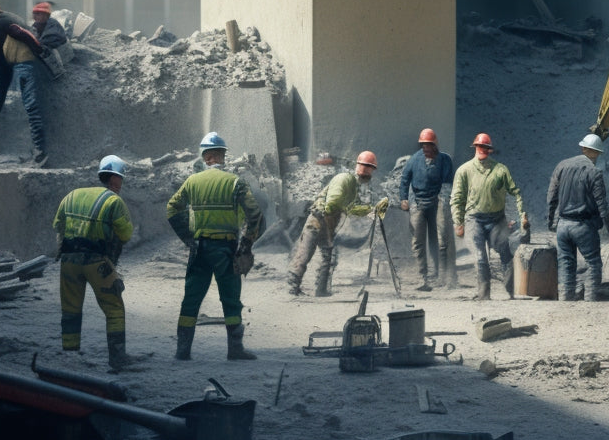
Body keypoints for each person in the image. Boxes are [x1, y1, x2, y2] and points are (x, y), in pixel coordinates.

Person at [167, 131, 265, 361]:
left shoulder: (192, 181)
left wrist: (187, 239)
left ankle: (183, 350)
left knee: (191, 298)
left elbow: (172, 208)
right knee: (230, 299)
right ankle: (235, 349)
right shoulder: (235, 183)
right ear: (219, 156)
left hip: (199, 249)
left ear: (205, 157)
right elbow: (255, 215)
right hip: (226, 249)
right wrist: (246, 245)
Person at [53, 155, 135, 370]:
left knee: (70, 308)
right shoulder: (113, 201)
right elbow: (125, 234)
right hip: (96, 263)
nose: (121, 185)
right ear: (115, 178)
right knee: (114, 307)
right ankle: (117, 359)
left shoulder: (72, 195)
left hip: (68, 261)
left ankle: (69, 355)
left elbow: (58, 226)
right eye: (121, 179)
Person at [287, 151, 388, 297]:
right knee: (309, 252)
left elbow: (351, 207)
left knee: (324, 254)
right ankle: (297, 285)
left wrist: (371, 210)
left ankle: (318, 289)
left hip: (323, 220)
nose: (369, 172)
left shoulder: (352, 185)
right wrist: (338, 217)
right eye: (369, 169)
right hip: (320, 219)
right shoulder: (344, 179)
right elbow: (333, 204)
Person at [451, 133, 529, 300]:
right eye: (480, 147)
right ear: (475, 148)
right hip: (474, 219)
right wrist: (458, 221)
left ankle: (511, 292)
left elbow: (516, 192)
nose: (483, 150)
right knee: (480, 257)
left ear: (490, 150)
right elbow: (457, 198)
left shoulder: (500, 170)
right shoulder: (464, 171)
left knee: (506, 253)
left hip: (496, 220)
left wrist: (522, 214)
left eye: (486, 148)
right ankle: (484, 295)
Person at [547, 134, 609, 301]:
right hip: (583, 226)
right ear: (597, 153)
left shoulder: (562, 166)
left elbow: (551, 196)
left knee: (565, 263)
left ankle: (565, 298)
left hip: (563, 225)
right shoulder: (594, 172)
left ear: (582, 148)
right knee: (593, 263)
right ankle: (590, 301)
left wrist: (551, 221)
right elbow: (602, 205)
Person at [0, 0, 47, 165]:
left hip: (21, 60)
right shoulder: (8, 18)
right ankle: (39, 152)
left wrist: (38, 48)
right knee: (30, 106)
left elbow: (21, 34)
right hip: (16, 61)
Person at [399, 128, 457, 290]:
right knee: (418, 240)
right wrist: (404, 198)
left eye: (429, 145)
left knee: (441, 237)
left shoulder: (444, 160)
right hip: (418, 202)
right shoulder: (414, 160)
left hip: (437, 200)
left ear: (435, 145)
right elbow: (405, 179)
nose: (426, 149)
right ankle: (422, 277)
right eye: (423, 145)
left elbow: (447, 184)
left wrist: (444, 204)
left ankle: (444, 276)